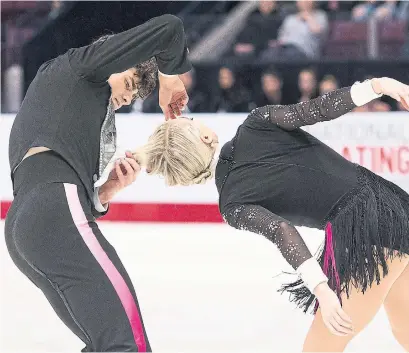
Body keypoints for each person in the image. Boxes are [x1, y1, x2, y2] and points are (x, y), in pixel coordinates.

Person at [132, 77, 409, 351]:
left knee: (320, 348)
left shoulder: (232, 205)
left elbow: (281, 230)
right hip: (393, 204)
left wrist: (322, 289)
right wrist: (378, 86)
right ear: (206, 137)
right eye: (190, 122)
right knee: (404, 329)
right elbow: (318, 109)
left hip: (369, 233)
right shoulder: (257, 122)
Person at [5, 14, 191, 352]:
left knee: (106, 344)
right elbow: (170, 28)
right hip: (52, 207)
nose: (128, 98)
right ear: (114, 56)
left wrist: (105, 192)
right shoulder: (80, 66)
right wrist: (169, 77)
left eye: (135, 97)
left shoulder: (65, 97)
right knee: (126, 344)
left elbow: (58, 190)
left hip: (24, 227)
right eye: (131, 85)